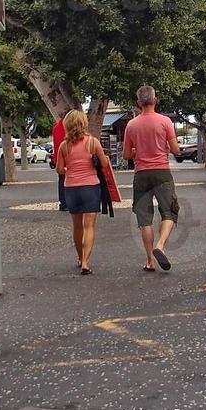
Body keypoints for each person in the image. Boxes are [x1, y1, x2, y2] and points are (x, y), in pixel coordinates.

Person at [122, 85, 182, 273]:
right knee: (169, 212)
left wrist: (138, 150)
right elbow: (175, 150)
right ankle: (161, 245)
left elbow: (125, 154)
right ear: (155, 100)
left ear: (138, 103)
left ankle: (149, 260)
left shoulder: (131, 125)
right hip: (162, 172)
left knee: (144, 219)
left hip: (141, 174)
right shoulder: (165, 122)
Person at [55, 110, 113, 274]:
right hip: (90, 187)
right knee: (89, 227)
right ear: (84, 124)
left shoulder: (64, 146)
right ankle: (86, 262)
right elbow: (103, 163)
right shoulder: (92, 142)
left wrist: (71, 171)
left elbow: (59, 169)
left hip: (71, 188)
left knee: (77, 227)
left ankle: (80, 257)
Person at [53, 114, 67, 211]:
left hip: (58, 158)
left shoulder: (57, 127)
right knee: (65, 181)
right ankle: (66, 203)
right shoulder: (67, 127)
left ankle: (63, 203)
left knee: (62, 181)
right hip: (67, 158)